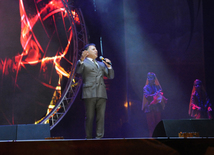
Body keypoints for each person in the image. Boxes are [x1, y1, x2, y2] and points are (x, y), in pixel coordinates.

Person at [75, 43, 114, 139]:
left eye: (96, 49)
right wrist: (81, 59)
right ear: (87, 52)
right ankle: (88, 138)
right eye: (93, 49)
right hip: (89, 93)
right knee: (90, 117)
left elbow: (111, 76)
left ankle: (99, 138)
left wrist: (109, 66)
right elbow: (78, 71)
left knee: (101, 118)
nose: (96, 50)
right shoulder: (83, 62)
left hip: (101, 93)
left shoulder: (101, 64)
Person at [142, 72, 167, 137]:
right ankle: (152, 139)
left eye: (153, 78)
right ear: (148, 79)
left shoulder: (157, 87)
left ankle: (158, 138)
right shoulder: (146, 87)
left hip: (157, 108)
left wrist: (160, 96)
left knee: (158, 124)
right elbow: (147, 96)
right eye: (151, 78)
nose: (153, 80)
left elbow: (160, 93)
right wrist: (155, 95)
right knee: (151, 126)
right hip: (149, 108)